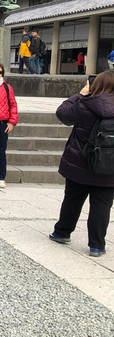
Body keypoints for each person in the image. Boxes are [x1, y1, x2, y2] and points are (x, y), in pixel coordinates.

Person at [49, 70, 114, 257]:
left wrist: (80, 94)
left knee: (73, 199)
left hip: (80, 162)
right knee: (102, 206)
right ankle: (97, 245)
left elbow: (62, 114)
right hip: (109, 166)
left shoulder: (85, 104)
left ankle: (62, 232)